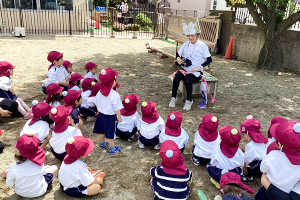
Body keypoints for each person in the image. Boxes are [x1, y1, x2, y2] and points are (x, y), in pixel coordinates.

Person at [169, 18, 212, 111]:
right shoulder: (186, 44)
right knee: (177, 76)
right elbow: (178, 54)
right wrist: (178, 58)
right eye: (189, 36)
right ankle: (173, 98)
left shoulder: (202, 45)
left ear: (196, 35)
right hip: (185, 69)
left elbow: (209, 59)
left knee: (188, 78)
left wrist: (199, 67)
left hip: (196, 72)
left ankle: (189, 100)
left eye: (192, 35)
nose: (190, 38)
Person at [255, 121, 300, 200]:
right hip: (286, 192)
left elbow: (262, 168)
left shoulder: (273, 155)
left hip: (266, 190)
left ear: (279, 144)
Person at [5, 133, 58, 198]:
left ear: (18, 151)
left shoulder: (14, 166)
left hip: (20, 192)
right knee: (54, 168)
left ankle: (8, 172)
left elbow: (9, 183)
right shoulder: (39, 163)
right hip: (39, 191)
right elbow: (44, 173)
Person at [93, 68, 123, 154]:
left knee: (101, 131)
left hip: (101, 115)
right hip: (110, 117)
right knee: (110, 133)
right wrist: (119, 117)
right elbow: (117, 108)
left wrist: (99, 111)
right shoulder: (114, 94)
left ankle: (102, 144)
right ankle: (112, 148)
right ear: (112, 82)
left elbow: (96, 103)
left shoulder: (99, 92)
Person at [240, 115, 267, 182]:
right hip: (265, 165)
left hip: (259, 168)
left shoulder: (250, 145)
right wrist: (241, 148)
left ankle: (248, 175)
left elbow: (247, 160)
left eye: (243, 134)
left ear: (249, 133)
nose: (243, 137)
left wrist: (242, 167)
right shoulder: (260, 142)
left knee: (243, 163)